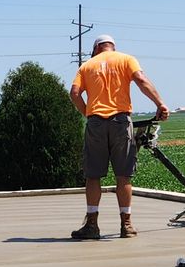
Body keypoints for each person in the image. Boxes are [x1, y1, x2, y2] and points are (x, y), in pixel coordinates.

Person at [69, 33, 168, 239]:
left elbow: (74, 93)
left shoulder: (86, 66)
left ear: (96, 49)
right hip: (121, 122)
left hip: (96, 122)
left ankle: (92, 226)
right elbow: (141, 79)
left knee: (93, 176)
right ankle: (127, 225)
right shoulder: (126, 59)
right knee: (123, 175)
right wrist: (160, 104)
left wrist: (88, 112)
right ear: (112, 47)